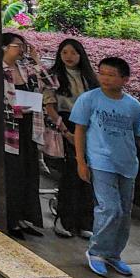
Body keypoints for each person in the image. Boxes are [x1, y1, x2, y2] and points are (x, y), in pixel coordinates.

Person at [72, 57, 140, 278]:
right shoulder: (89, 100)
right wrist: (81, 161)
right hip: (100, 161)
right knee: (110, 208)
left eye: (111, 74)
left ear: (125, 79)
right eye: (102, 73)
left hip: (127, 164)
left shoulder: (133, 106)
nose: (105, 78)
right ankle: (96, 252)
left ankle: (113, 254)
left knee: (124, 212)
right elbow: (79, 130)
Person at [44, 38, 98, 238]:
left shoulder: (90, 78)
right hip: (66, 124)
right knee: (71, 173)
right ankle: (64, 219)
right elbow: (49, 105)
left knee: (87, 175)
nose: (69, 57)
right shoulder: (53, 76)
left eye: (73, 53)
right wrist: (65, 131)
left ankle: (85, 222)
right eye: (64, 52)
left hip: (89, 126)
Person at [1, 32, 50, 238]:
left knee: (29, 172)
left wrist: (36, 60)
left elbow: (50, 84)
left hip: (30, 127)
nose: (21, 49)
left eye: (23, 46)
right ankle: (11, 220)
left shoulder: (25, 68)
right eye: (17, 46)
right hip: (10, 128)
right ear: (4, 48)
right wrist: (20, 110)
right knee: (13, 174)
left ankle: (24, 218)